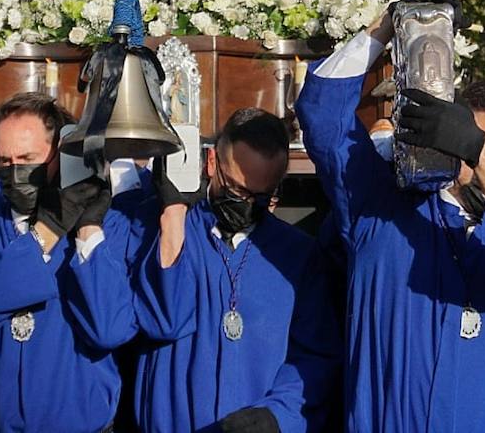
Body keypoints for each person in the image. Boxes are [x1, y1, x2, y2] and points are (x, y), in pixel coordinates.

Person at [295, 0, 485, 431]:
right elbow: (322, 112)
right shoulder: (378, 208)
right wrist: (389, 26)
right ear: (451, 133)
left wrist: (483, 158)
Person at [125, 107, 339, 433]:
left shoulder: (298, 255)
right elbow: (162, 321)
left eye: (263, 196)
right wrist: (173, 216)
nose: (247, 205)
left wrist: (278, 416)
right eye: (238, 190)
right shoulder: (165, 229)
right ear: (212, 164)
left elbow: (316, 356)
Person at [0, 92, 131, 433]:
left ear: (59, 156)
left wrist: (86, 229)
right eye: (5, 162)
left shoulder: (107, 228)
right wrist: (48, 230)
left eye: (28, 158)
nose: (16, 173)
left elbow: (110, 329)